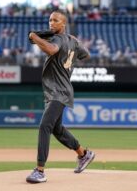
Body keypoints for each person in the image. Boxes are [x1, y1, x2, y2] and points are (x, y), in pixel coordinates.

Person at [26, 10, 95, 184]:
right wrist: (73, 44)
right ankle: (84, 154)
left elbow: (50, 49)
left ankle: (39, 170)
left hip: (58, 91)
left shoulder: (56, 39)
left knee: (44, 126)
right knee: (57, 129)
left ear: (63, 24)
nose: (51, 23)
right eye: (49, 19)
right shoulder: (72, 40)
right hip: (59, 90)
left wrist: (35, 37)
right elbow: (86, 54)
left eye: (55, 20)